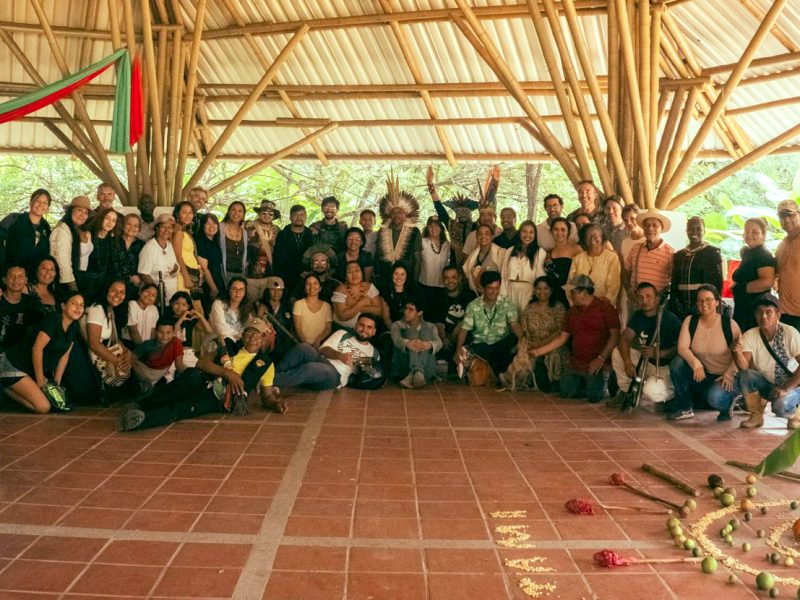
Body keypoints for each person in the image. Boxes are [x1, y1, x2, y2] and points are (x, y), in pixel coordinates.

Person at [117, 317, 283, 432]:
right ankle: (140, 404)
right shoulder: (230, 347)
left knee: (183, 407)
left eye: (257, 335)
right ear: (243, 335)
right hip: (202, 380)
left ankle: (140, 420)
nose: (252, 338)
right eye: (248, 333)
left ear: (263, 339)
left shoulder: (266, 364)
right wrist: (227, 373)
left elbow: (267, 396)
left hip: (220, 397)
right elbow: (201, 363)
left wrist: (275, 404)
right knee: (185, 381)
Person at [530, 274, 620, 403]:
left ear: (582, 292)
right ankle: (586, 383)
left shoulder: (606, 308)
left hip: (598, 362)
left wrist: (601, 359)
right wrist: (538, 352)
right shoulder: (572, 311)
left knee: (594, 397)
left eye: (573, 292)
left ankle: (607, 377)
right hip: (577, 362)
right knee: (565, 392)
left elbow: (615, 336)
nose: (570, 295)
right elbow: (562, 337)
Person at [666, 284, 741, 421]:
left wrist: (730, 374)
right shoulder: (690, 321)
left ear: (717, 302)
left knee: (715, 398)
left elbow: (740, 354)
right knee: (677, 363)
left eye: (708, 300)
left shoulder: (729, 324)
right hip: (701, 374)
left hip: (723, 377)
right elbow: (682, 348)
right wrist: (696, 363)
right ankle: (685, 408)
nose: (704, 304)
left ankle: (727, 406)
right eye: (700, 300)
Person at [0, 291, 83, 413]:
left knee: (54, 402)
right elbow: (37, 349)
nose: (78, 308)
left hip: (30, 369)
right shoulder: (53, 320)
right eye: (74, 303)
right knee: (43, 407)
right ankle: (4, 387)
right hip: (15, 364)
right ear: (63, 306)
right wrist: (40, 381)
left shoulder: (74, 326)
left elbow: (64, 356)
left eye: (81, 305)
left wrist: (56, 385)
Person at [733, 293, 800, 429]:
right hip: (769, 385)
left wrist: (786, 388)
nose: (763, 317)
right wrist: (736, 352)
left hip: (792, 385)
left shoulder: (790, 333)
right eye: (759, 312)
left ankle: (796, 414)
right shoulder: (750, 335)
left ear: (778, 315)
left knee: (780, 406)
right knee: (745, 375)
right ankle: (756, 415)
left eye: (769, 312)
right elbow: (744, 368)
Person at [610, 282, 681, 407]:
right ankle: (626, 391)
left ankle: (668, 394)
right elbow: (624, 339)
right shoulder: (638, 316)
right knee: (617, 353)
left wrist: (659, 353)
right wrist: (627, 362)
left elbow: (680, 347)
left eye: (649, 296)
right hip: (646, 362)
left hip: (663, 367)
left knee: (653, 392)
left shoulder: (669, 319)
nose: (644, 300)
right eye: (641, 297)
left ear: (657, 298)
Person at [499, 276, 567, 391]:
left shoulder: (558, 308)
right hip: (531, 346)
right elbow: (524, 330)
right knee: (521, 360)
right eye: (539, 289)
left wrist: (540, 345)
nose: (542, 292)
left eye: (546, 289)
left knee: (546, 374)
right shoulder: (529, 308)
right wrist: (527, 344)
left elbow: (559, 332)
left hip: (551, 346)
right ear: (534, 290)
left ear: (551, 290)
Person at [454, 270, 521, 377]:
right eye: (490, 288)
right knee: (471, 348)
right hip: (481, 346)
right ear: (483, 288)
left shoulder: (508, 304)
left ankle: (491, 367)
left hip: (501, 345)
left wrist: (524, 342)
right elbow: (464, 330)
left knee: (513, 339)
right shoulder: (473, 306)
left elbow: (514, 325)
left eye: (497, 288)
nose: (494, 292)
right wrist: (458, 350)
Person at [84, 279, 133, 397]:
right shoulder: (97, 309)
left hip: (103, 353)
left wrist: (127, 353)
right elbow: (94, 344)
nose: (118, 295)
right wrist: (117, 362)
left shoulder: (110, 310)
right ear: (105, 290)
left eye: (122, 292)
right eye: (113, 290)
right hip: (90, 358)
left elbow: (114, 338)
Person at [670, 217, 723, 321]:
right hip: (680, 310)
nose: (694, 232)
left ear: (704, 231)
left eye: (698, 229)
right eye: (691, 228)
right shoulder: (679, 255)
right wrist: (675, 305)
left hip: (704, 308)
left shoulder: (712, 253)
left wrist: (708, 305)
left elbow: (717, 284)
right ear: (686, 231)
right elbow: (674, 283)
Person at [374, 179, 422, 291]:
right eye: (393, 212)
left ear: (405, 214)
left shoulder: (414, 231)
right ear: (389, 215)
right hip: (385, 276)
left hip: (406, 277)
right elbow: (377, 255)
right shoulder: (382, 231)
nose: (396, 215)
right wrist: (377, 275)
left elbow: (417, 258)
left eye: (399, 212)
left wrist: (415, 280)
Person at [424, 265, 476, 366]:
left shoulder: (469, 295)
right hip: (443, 339)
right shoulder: (436, 296)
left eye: (453, 277)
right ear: (442, 280)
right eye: (446, 278)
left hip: (464, 338)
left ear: (459, 278)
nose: (450, 281)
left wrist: (457, 333)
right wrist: (443, 337)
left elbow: (471, 320)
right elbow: (435, 321)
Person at [732, 217, 776, 333]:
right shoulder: (751, 253)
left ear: (763, 235)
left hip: (754, 311)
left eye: (755, 232)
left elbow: (767, 282)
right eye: (747, 231)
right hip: (744, 309)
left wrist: (741, 288)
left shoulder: (763, 255)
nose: (750, 235)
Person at [428, 166, 479, 263]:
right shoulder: (451, 225)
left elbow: (487, 211)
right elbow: (439, 207)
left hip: (472, 266)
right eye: (460, 212)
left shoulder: (476, 226)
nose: (463, 216)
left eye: (465, 212)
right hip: (454, 267)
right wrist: (430, 184)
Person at [625, 209, 674, 304]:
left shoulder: (670, 252)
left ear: (661, 228)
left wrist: (660, 297)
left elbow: (673, 281)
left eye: (655, 225)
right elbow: (626, 272)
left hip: (657, 305)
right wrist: (628, 289)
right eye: (647, 225)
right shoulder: (635, 248)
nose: (650, 228)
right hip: (636, 302)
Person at [391, 298, 442, 388]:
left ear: (420, 313)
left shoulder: (431, 326)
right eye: (405, 309)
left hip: (427, 370)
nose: (406, 312)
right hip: (404, 368)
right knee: (412, 332)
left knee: (426, 332)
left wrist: (428, 344)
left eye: (411, 310)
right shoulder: (397, 325)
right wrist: (408, 343)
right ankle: (417, 371)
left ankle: (416, 373)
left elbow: (439, 343)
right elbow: (397, 340)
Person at [319, 312, 379, 388]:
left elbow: (365, 377)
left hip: (335, 375)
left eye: (369, 327)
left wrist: (355, 365)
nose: (364, 329)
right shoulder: (342, 334)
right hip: (320, 360)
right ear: (355, 326)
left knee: (310, 368)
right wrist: (339, 356)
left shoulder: (374, 354)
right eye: (361, 325)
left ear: (374, 332)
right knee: (304, 348)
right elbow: (322, 350)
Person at [567, 222, 620, 306]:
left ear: (602, 237)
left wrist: (606, 300)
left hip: (603, 306)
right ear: (583, 239)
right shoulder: (578, 259)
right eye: (588, 236)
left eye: (596, 236)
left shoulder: (611, 257)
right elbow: (570, 283)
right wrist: (573, 302)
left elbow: (614, 284)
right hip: (581, 306)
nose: (592, 239)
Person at [501, 219, 546, 311]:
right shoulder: (510, 250)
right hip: (510, 290)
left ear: (535, 235)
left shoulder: (539, 252)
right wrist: (502, 295)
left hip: (528, 292)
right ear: (519, 233)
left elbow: (540, 276)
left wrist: (538, 296)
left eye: (531, 232)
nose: (527, 235)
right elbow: (504, 274)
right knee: (510, 321)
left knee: (526, 321)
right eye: (524, 231)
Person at [131, 317, 185, 393]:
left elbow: (179, 366)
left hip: (158, 377)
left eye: (168, 332)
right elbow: (131, 359)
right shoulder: (147, 345)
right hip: (140, 375)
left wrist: (189, 374)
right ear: (155, 332)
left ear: (173, 333)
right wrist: (143, 378)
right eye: (160, 332)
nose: (164, 336)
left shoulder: (175, 343)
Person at [50, 196, 91, 295]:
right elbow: (62, 260)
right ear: (71, 211)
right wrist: (72, 286)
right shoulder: (63, 230)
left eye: (86, 212)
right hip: (65, 282)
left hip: (79, 277)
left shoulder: (77, 230)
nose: (82, 215)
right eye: (79, 210)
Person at [5, 188, 51, 274]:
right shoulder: (14, 219)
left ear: (48, 207)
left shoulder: (45, 227)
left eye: (45, 202)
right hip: (11, 276)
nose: (41, 205)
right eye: (38, 200)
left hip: (34, 277)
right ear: (30, 202)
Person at [138, 214, 180, 304]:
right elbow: (143, 273)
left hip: (172, 294)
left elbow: (174, 265)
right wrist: (157, 292)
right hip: (158, 298)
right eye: (163, 227)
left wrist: (174, 269)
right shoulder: (150, 247)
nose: (167, 230)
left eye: (170, 227)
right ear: (157, 228)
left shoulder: (169, 245)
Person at [461, 165, 501, 258]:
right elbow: (465, 259)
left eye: (489, 215)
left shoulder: (501, 234)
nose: (486, 218)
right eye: (483, 214)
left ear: (494, 217)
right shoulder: (472, 236)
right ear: (479, 216)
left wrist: (496, 182)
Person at [245, 200, 280, 305]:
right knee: (249, 302)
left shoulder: (277, 230)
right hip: (250, 271)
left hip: (268, 272)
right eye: (264, 213)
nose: (267, 216)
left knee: (265, 303)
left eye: (270, 214)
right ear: (259, 214)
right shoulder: (249, 225)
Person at [332, 261, 385, 331]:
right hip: (343, 330)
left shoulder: (369, 286)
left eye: (357, 270)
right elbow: (342, 316)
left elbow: (378, 311)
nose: (354, 275)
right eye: (350, 272)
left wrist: (351, 306)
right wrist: (363, 302)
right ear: (345, 276)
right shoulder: (340, 290)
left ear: (362, 273)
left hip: (366, 331)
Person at [273, 204, 314, 293]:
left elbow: (314, 256)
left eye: (302, 215)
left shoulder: (310, 234)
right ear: (290, 217)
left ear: (306, 217)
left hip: (305, 278)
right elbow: (277, 258)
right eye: (296, 215)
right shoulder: (283, 234)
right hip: (285, 278)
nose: (299, 218)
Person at [80, 207, 118, 304]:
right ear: (101, 218)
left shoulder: (112, 238)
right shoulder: (89, 235)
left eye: (113, 220)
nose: (110, 222)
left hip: (103, 281)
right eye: (107, 218)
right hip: (86, 281)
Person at [168, 290, 214, 369]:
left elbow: (209, 331)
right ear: (171, 304)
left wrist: (200, 316)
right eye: (176, 303)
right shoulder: (167, 319)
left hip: (187, 353)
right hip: (171, 353)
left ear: (188, 307)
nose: (180, 307)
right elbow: (171, 333)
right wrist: (181, 318)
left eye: (184, 305)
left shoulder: (190, 320)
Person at [544, 216, 582, 304]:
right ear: (551, 231)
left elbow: (583, 274)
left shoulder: (575, 249)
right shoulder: (548, 252)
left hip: (569, 296)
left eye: (563, 229)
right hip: (550, 295)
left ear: (568, 232)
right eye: (556, 229)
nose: (559, 233)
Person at [775, 200, 800, 330]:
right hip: (785, 314)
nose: (786, 219)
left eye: (790, 214)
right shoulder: (781, 246)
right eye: (782, 216)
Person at [210, 276, 250, 355]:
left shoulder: (246, 309)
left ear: (245, 293)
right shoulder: (218, 304)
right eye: (234, 289)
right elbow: (221, 329)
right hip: (219, 343)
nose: (238, 292)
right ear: (229, 291)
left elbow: (249, 328)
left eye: (241, 290)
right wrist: (240, 335)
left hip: (240, 345)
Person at [256, 276, 293, 360]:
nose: (276, 293)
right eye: (273, 290)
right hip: (267, 346)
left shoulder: (287, 307)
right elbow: (257, 328)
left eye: (280, 290)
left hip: (285, 345)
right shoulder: (260, 306)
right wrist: (260, 314)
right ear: (267, 291)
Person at [172, 200, 203, 301]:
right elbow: (178, 256)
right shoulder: (178, 232)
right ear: (177, 214)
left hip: (192, 272)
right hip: (184, 274)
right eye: (184, 212)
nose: (187, 215)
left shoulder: (186, 231)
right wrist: (186, 278)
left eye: (190, 212)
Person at [0, 264, 35, 352]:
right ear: (4, 280)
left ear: (26, 280)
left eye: (20, 276)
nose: (16, 280)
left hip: (17, 355)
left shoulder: (31, 302)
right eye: (12, 276)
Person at [111, 213, 145, 302]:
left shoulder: (142, 245)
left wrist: (139, 277)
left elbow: (144, 265)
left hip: (133, 286)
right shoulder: (112, 241)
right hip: (113, 284)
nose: (132, 228)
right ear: (122, 226)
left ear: (139, 229)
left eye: (136, 226)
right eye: (129, 224)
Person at [293, 274, 333, 349]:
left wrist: (318, 341)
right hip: (302, 345)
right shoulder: (298, 304)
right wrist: (306, 345)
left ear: (320, 288)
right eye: (308, 284)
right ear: (305, 288)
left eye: (315, 283)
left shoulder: (327, 306)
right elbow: (297, 327)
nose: (312, 286)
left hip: (321, 345)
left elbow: (328, 328)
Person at [462, 224, 503, 294]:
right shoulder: (473, 255)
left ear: (492, 236)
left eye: (487, 233)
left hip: (495, 296)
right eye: (480, 234)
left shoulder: (500, 253)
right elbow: (467, 273)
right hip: (476, 295)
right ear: (476, 237)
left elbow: (504, 277)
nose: (483, 236)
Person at [417, 216, 454, 293]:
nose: (433, 228)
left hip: (442, 286)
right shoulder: (422, 242)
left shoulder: (446, 244)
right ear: (427, 228)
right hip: (424, 285)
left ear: (441, 227)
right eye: (431, 226)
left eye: (436, 225)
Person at [194, 213, 224, 307]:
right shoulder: (201, 243)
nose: (212, 226)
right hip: (208, 285)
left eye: (214, 223)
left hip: (218, 281)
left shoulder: (214, 243)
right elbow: (205, 268)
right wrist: (214, 289)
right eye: (207, 223)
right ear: (202, 226)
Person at [219, 201, 248, 284]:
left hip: (239, 275)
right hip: (222, 273)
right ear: (228, 211)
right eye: (233, 210)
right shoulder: (220, 227)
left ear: (243, 215)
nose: (236, 213)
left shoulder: (244, 232)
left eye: (240, 211)